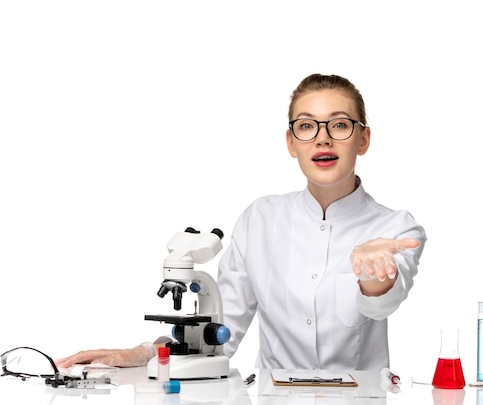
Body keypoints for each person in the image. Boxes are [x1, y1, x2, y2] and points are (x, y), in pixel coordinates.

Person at [55, 74, 426, 371]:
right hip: (274, 398)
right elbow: (223, 327)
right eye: (307, 126)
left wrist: (374, 269)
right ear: (290, 142)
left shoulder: (395, 228)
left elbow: (380, 305)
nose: (323, 138)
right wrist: (143, 354)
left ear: (363, 139)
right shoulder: (260, 219)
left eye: (340, 125)